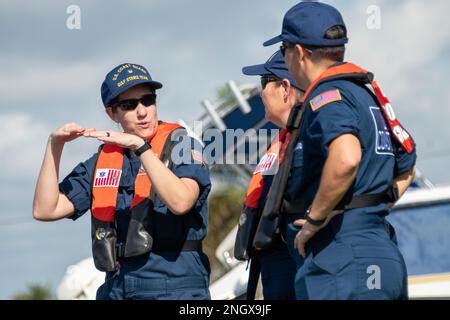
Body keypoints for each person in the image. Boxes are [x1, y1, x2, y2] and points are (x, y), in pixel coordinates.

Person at [262, 2, 417, 299]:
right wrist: (366, 208)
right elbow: (406, 166)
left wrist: (316, 220)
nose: (285, 58)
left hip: (343, 257)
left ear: (300, 52)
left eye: (284, 50)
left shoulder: (326, 95)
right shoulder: (364, 94)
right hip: (380, 250)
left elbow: (346, 159)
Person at [32, 63, 212, 300]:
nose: (142, 111)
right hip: (118, 287)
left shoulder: (182, 145)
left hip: (175, 285)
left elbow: (181, 201)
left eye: (148, 100)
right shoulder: (103, 161)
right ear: (112, 114)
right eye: (129, 105)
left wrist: (141, 148)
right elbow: (45, 209)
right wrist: (54, 146)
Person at [239, 50, 305, 299]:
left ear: (285, 88)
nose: (261, 93)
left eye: (263, 83)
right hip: (274, 269)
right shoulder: (281, 142)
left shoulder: (314, 133)